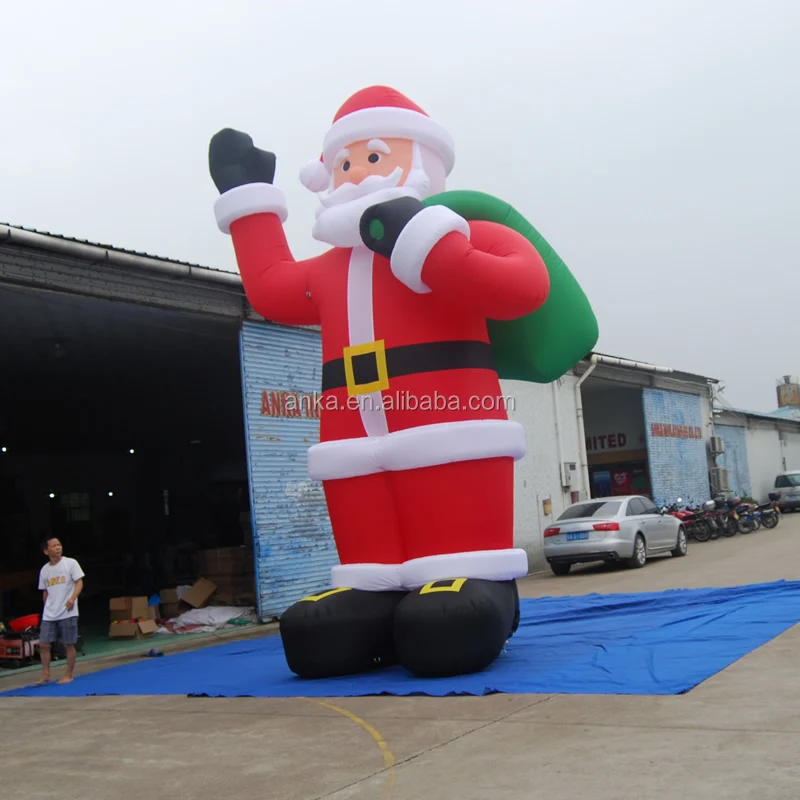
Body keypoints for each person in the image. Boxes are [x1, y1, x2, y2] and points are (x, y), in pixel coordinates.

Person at [208, 85, 551, 678]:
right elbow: (270, 287)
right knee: (362, 513)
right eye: (344, 163)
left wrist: (431, 251)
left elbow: (525, 285)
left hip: (447, 415)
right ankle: (373, 590)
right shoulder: (330, 268)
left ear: (420, 161)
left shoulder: (459, 232)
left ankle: (477, 583)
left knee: (446, 534)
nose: (356, 174)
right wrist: (248, 200)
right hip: (349, 427)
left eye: (372, 157)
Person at [36, 536, 85, 684]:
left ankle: (68, 674)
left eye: (59, 545)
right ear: (46, 551)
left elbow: (79, 582)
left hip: (67, 610)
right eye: (54, 546)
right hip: (50, 612)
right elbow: (44, 590)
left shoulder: (70, 563)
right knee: (44, 644)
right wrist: (46, 606)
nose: (58, 548)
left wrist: (72, 598)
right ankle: (46, 674)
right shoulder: (45, 570)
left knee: (68, 643)